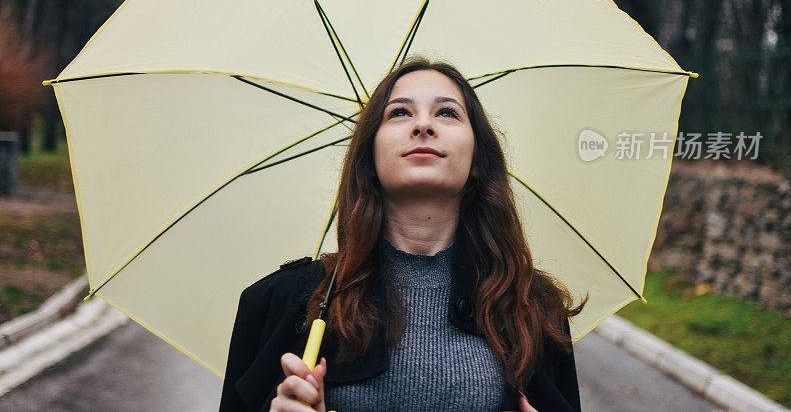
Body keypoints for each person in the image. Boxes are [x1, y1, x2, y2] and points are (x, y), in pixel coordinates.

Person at [219, 56, 587, 412]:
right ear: (370, 158)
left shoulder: (534, 308)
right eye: (399, 112)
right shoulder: (281, 302)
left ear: (477, 161)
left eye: (447, 112)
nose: (423, 126)